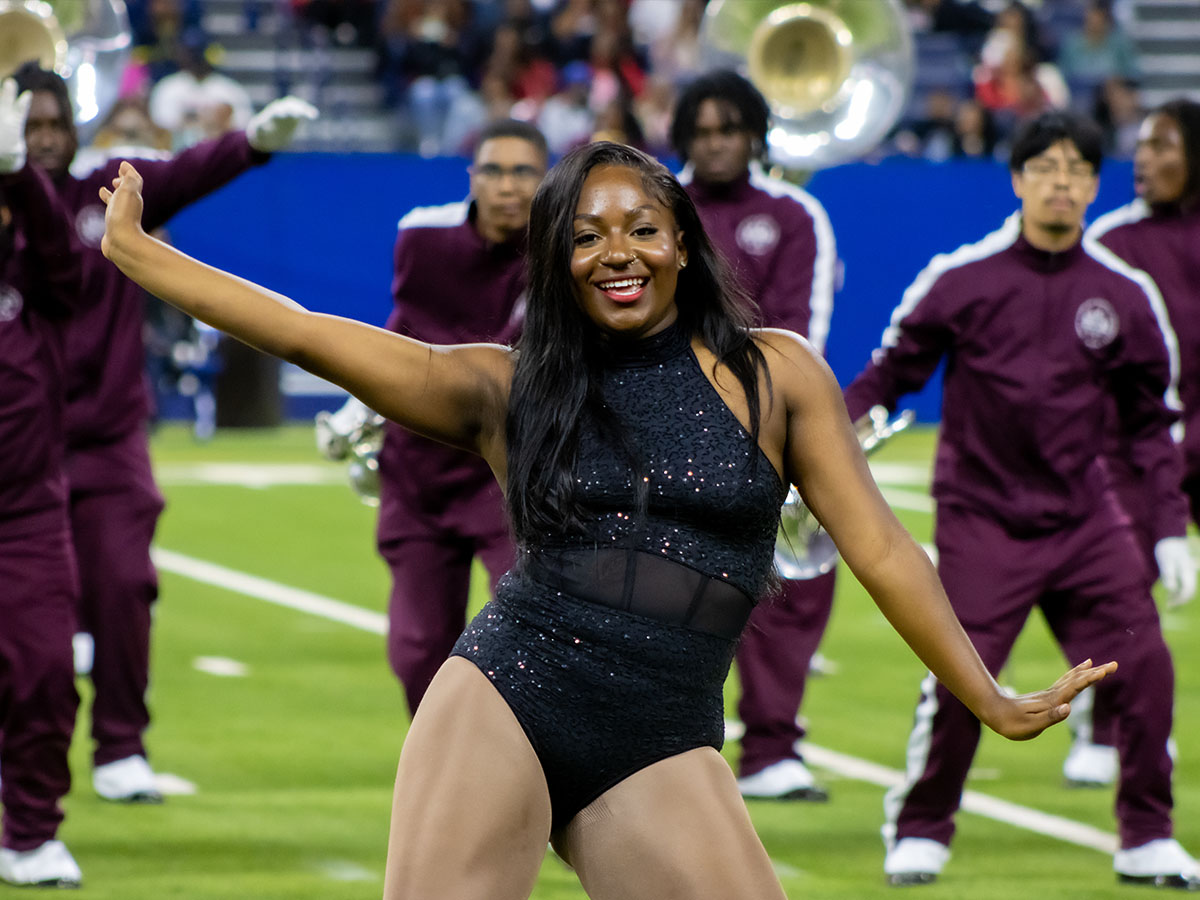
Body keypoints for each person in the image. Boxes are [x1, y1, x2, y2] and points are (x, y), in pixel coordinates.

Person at [99, 139, 1114, 899]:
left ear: (680, 240)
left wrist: (983, 693)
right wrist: (144, 257)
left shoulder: (778, 377)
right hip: (509, 698)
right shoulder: (510, 389)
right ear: (556, 263)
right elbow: (313, 336)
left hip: (663, 732)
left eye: (637, 227)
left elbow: (884, 549)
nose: (613, 253)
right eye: (584, 237)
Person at [841, 110, 1197, 888]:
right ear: (1018, 178)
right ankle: (922, 827)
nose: (1061, 182)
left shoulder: (1124, 294)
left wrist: (1169, 529)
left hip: (1085, 519)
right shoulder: (962, 277)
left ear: (1094, 186)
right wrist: (819, 432)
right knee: (961, 682)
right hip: (981, 520)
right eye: (1046, 166)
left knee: (1146, 670)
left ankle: (1147, 834)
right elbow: (891, 372)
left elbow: (1152, 423)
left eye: (1077, 169)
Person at [16, 62, 317, 805]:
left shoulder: (107, 188)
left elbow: (184, 171)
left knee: (122, 585)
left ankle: (120, 745)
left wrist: (252, 143)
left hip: (108, 436)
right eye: (32, 126)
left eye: (56, 124)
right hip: (17, 448)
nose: (46, 140)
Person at [317, 119, 547, 715]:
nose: (507, 186)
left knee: (536, 635)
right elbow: (405, 325)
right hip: (421, 467)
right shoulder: (424, 236)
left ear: (546, 180)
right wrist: (360, 402)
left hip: (514, 471)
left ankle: (539, 777)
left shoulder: (567, 248)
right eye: (494, 170)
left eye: (523, 171)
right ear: (472, 177)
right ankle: (449, 783)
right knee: (420, 650)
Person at [669, 69, 839, 801]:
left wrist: (771, 416)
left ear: (755, 135)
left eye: (728, 130)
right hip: (665, 419)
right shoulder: (657, 204)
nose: (714, 145)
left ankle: (772, 749)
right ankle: (659, 751)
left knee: (789, 589)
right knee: (666, 587)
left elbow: (803, 328)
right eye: (701, 132)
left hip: (766, 425)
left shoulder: (795, 213)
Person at [1061, 97, 1200, 788]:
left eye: (1165, 144)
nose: (1144, 157)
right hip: (1136, 446)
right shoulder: (1111, 241)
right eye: (1140, 145)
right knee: (1122, 586)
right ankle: (1110, 726)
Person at [0, 78, 87, 888]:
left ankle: (29, 830)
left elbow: (75, 274)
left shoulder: (39, 266)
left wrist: (20, 178)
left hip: (26, 509)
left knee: (43, 675)